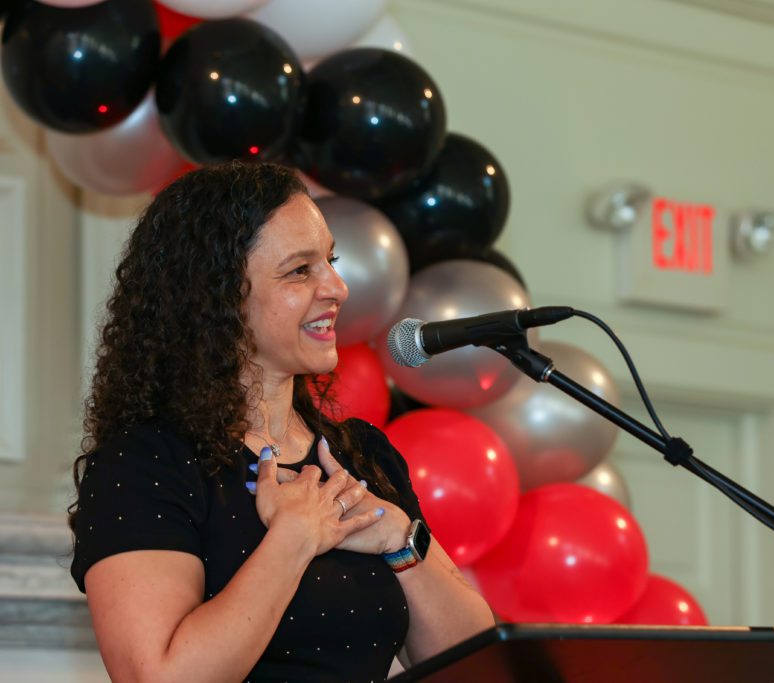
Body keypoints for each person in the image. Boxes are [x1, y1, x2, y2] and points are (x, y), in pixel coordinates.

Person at [68, 161, 495, 682]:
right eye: (300, 270)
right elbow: (161, 676)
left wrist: (398, 537)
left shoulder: (361, 454)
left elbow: (478, 665)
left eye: (331, 261)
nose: (337, 287)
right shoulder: (146, 464)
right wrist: (293, 539)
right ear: (218, 297)